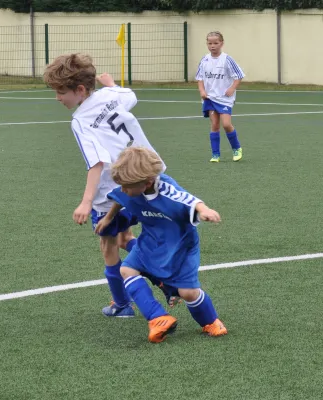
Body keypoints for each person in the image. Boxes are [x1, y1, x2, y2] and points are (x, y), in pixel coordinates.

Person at [43, 53, 169, 318]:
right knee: (126, 237)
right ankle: (164, 280)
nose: (57, 98)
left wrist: (87, 201)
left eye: (60, 92)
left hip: (112, 191)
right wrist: (111, 84)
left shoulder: (79, 120)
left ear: (79, 90)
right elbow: (130, 96)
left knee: (108, 245)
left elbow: (97, 162)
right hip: (145, 176)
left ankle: (122, 305)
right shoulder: (110, 96)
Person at [95, 147, 228, 343]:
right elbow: (118, 197)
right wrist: (108, 218)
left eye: (126, 186)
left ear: (147, 182)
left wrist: (204, 210)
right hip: (149, 241)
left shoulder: (166, 189)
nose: (123, 190)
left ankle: (210, 321)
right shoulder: (130, 186)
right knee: (127, 270)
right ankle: (158, 317)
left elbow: (188, 199)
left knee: (188, 292)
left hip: (180, 246)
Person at [196, 31, 245, 163]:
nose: (212, 46)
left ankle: (236, 148)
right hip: (210, 98)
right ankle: (215, 154)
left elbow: (239, 75)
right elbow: (199, 78)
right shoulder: (204, 59)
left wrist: (232, 88)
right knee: (215, 125)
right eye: (210, 43)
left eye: (216, 43)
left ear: (221, 43)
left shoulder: (227, 59)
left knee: (226, 124)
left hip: (224, 98)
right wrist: (202, 91)